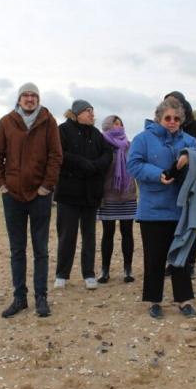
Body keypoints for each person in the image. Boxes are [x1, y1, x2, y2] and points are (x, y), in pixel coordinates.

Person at [0, 82, 63, 318]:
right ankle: (19, 297)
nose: (30, 99)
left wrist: (46, 186)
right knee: (17, 249)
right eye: (25, 95)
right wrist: (2, 184)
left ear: (38, 99)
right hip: (13, 195)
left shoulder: (48, 121)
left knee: (40, 249)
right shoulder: (6, 122)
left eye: (33, 95)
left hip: (40, 196)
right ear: (19, 99)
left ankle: (41, 297)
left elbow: (55, 156)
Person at [127, 97, 196, 319]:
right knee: (154, 257)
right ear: (158, 118)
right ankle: (154, 300)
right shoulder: (142, 139)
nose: (172, 121)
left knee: (181, 256)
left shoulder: (190, 140)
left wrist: (190, 156)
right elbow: (133, 165)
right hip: (153, 209)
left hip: (181, 208)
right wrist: (157, 175)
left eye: (177, 118)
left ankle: (184, 300)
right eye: (168, 117)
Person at [54, 100, 112, 290]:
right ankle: (62, 274)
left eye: (93, 111)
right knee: (67, 235)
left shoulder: (96, 134)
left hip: (91, 193)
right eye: (88, 111)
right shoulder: (62, 130)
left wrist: (96, 165)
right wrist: (82, 163)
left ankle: (89, 274)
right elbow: (59, 154)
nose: (92, 115)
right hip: (69, 193)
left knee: (89, 235)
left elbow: (107, 154)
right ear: (77, 113)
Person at [163, 91, 196, 278]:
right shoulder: (164, 127)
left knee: (190, 222)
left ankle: (189, 262)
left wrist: (190, 160)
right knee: (170, 222)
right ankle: (171, 260)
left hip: (190, 182)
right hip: (168, 182)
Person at [96, 115, 137, 284]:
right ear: (107, 126)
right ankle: (105, 270)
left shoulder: (129, 145)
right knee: (108, 233)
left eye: (120, 123)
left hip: (127, 193)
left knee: (127, 232)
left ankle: (128, 269)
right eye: (114, 123)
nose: (118, 126)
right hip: (108, 194)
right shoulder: (102, 144)